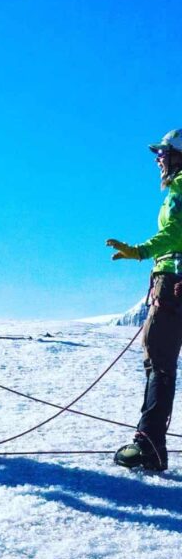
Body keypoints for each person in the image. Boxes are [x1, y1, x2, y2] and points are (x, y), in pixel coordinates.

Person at [107, 128, 182, 472]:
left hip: (172, 282)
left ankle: (149, 446)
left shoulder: (180, 189)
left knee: (158, 361)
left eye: (163, 153)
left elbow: (175, 233)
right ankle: (152, 444)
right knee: (160, 360)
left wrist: (139, 251)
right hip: (171, 281)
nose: (158, 160)